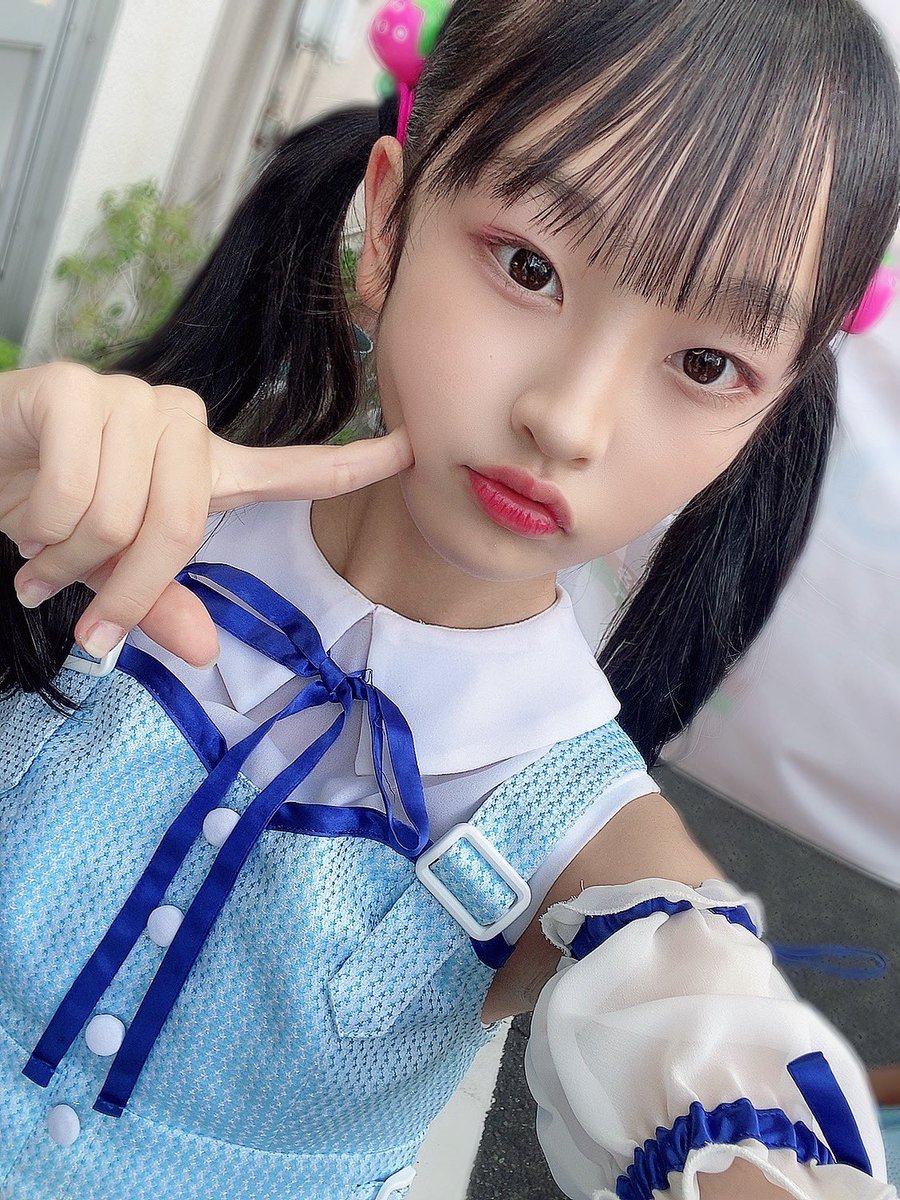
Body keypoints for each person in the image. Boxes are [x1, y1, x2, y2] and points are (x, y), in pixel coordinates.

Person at [0, 0, 898, 1196]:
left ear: (765, 415)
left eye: (705, 364)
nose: (568, 419)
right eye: (529, 266)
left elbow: (710, 1056)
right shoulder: (105, 520)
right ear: (387, 223)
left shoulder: (593, 841)